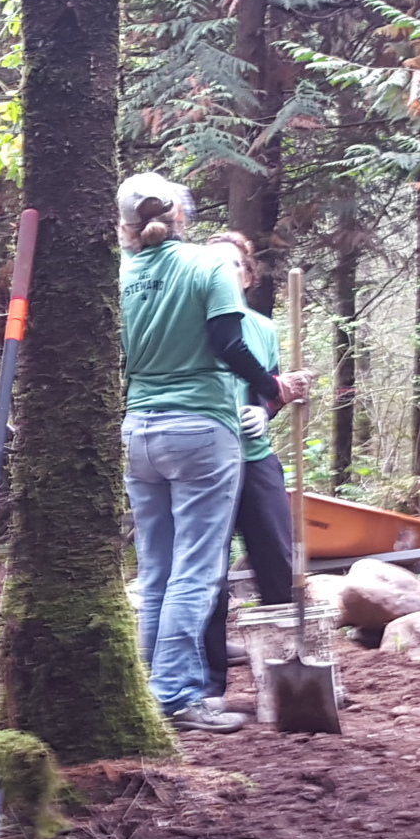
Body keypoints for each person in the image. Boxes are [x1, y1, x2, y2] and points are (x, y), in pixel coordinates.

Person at [118, 174, 306, 733]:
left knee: (155, 570)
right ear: (181, 214)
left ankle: (147, 691)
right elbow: (229, 342)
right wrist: (270, 389)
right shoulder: (207, 264)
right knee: (197, 572)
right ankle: (175, 695)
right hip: (200, 428)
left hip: (138, 428)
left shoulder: (122, 274)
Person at [198, 231, 301, 706]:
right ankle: (209, 684)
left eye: (234, 264)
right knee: (209, 574)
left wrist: (265, 406)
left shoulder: (263, 328)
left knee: (276, 562)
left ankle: (288, 673)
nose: (226, 272)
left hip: (257, 458)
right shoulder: (193, 323)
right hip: (206, 463)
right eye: (214, 263)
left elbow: (272, 388)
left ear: (248, 274)